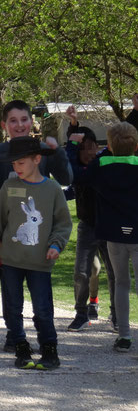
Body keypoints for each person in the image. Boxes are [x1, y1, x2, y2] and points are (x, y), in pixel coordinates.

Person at [0, 136, 72, 370]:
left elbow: (63, 223)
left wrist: (56, 245)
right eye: (13, 164)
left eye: (20, 163)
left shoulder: (52, 190)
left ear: (37, 159)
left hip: (40, 263)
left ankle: (50, 350)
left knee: (42, 309)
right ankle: (21, 348)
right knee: (12, 307)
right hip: (10, 260)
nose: (16, 168)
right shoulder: (10, 187)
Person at [66, 122, 138, 352]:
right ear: (136, 146)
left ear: (108, 146)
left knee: (122, 284)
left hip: (114, 234)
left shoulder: (100, 166)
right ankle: (121, 327)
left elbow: (75, 174)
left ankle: (125, 336)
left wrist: (71, 146)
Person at [63, 105, 116, 332]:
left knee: (115, 273)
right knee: (82, 272)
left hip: (110, 226)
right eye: (83, 148)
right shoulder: (76, 171)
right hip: (87, 226)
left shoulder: (104, 160)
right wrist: (73, 127)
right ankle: (81, 313)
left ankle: (116, 314)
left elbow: (125, 136)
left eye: (92, 147)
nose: (89, 152)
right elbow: (68, 160)